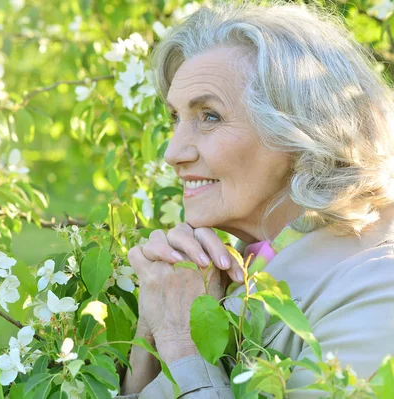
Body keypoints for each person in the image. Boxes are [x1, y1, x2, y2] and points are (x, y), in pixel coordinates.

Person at [117, 1, 394, 398]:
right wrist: (151, 335)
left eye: (209, 116)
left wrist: (181, 344)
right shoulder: (226, 274)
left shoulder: (377, 290)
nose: (173, 152)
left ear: (301, 131)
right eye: (175, 118)